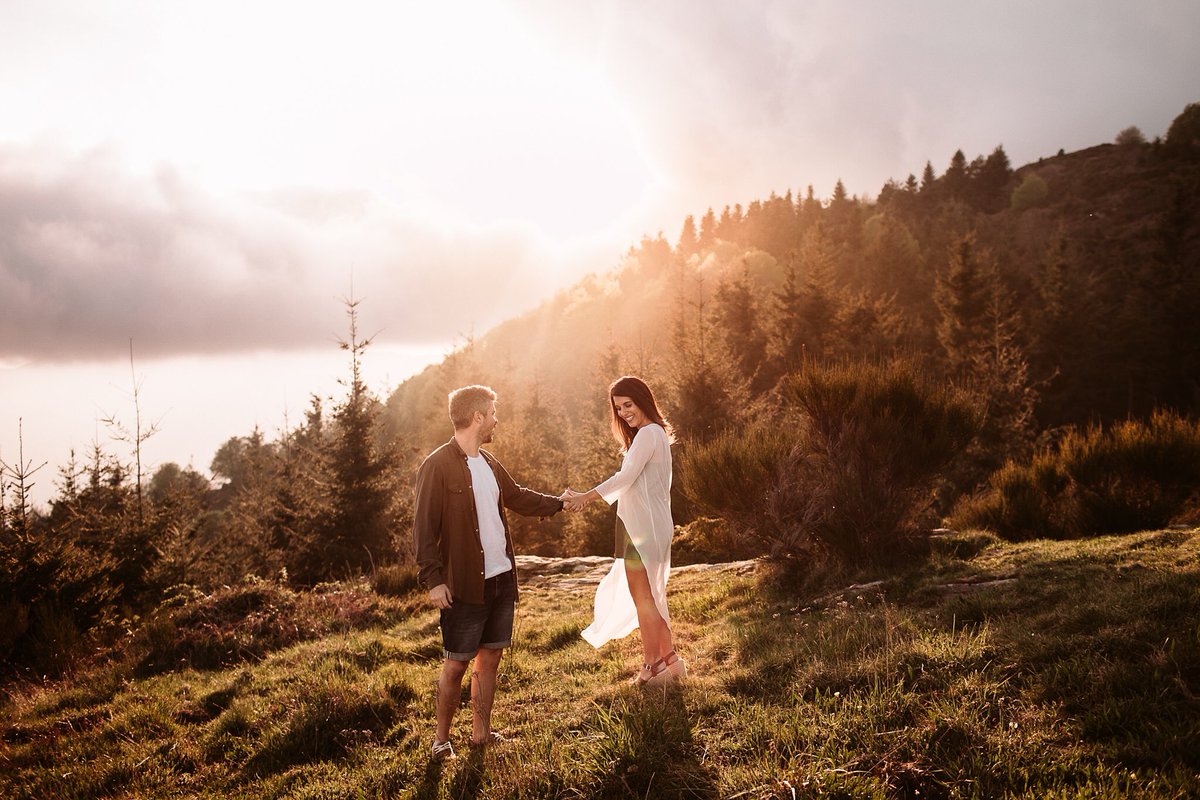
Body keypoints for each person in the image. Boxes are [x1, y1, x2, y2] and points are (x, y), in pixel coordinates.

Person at [413, 384, 566, 762]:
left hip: (501, 579)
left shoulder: (490, 463)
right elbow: (422, 529)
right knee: (456, 663)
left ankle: (480, 736)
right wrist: (433, 579)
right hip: (464, 584)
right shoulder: (436, 466)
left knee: (490, 660)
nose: (497, 420)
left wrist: (561, 503)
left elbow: (519, 497)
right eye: (493, 413)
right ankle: (441, 740)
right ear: (478, 417)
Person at [565, 376, 686, 686]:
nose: (623, 413)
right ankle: (670, 661)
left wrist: (584, 497)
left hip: (642, 527)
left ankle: (653, 665)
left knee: (644, 597)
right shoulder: (652, 434)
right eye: (618, 408)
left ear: (643, 400)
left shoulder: (648, 434)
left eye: (628, 405)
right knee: (651, 596)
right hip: (641, 524)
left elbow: (625, 476)